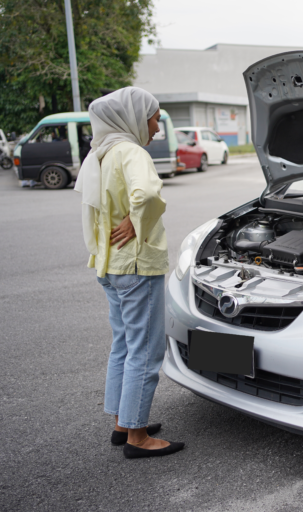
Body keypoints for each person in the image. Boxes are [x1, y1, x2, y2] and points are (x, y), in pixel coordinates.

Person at [74, 87, 184, 459]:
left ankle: (123, 422)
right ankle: (138, 436)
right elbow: (148, 196)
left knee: (122, 344)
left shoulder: (99, 153)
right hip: (137, 265)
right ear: (134, 117)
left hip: (109, 265)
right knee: (146, 349)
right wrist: (138, 222)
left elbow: (92, 208)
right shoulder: (131, 152)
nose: (156, 126)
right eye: (154, 117)